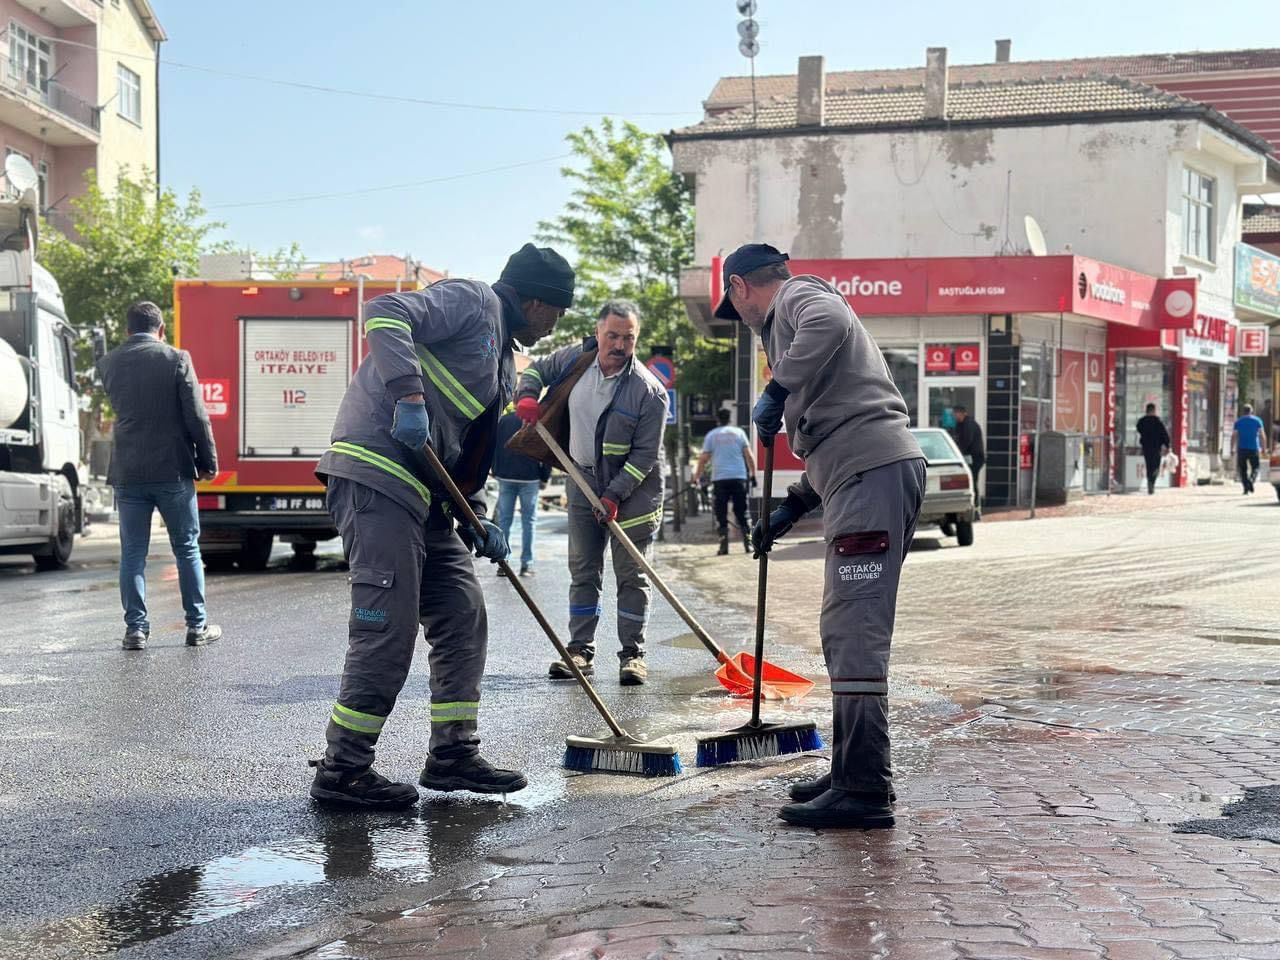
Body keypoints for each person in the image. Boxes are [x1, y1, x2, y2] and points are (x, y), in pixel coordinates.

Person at [309, 243, 574, 809]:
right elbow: (384, 312)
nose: (557, 324)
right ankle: (343, 769)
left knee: (462, 611)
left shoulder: (503, 358)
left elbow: (469, 450)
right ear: (534, 300)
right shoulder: (473, 302)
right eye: (557, 311)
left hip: (428, 495)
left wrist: (476, 514)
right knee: (388, 626)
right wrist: (408, 395)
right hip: (378, 473)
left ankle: (452, 754)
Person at [715, 244, 925, 830]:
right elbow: (835, 431)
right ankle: (849, 771)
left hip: (871, 473)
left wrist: (778, 390)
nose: (747, 323)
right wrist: (791, 508)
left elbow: (831, 320)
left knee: (853, 630)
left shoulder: (796, 297)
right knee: (843, 630)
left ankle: (864, 787)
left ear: (741, 287)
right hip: (860, 472)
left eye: (738, 307)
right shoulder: (790, 317)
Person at [515, 300, 667, 687]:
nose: (619, 344)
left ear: (637, 338)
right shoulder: (576, 359)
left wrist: (615, 495)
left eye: (628, 338)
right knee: (584, 570)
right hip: (580, 480)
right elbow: (535, 369)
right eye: (612, 335)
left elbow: (645, 457)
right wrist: (528, 396)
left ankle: (633, 655)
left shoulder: (649, 391)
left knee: (632, 574)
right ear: (598, 332)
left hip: (633, 492)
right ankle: (580, 651)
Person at [96, 301, 222, 652]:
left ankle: (135, 630)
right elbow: (196, 415)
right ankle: (197, 627)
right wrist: (208, 461)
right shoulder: (176, 359)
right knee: (186, 548)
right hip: (173, 469)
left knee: (133, 553)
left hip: (128, 471)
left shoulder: (108, 363)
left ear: (126, 330)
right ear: (161, 328)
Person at [492, 403, 551, 577]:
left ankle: (503, 563)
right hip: (530, 477)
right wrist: (545, 476)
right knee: (528, 523)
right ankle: (527, 564)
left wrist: (496, 470)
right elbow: (547, 451)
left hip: (506, 476)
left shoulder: (503, 421)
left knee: (504, 521)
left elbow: (494, 447)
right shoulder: (537, 424)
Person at [692, 408, 756, 555]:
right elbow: (749, 455)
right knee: (742, 513)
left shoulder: (711, 436)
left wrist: (696, 478)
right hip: (739, 477)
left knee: (721, 514)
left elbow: (703, 459)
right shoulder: (739, 433)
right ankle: (749, 544)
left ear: (717, 420)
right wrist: (752, 475)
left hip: (720, 479)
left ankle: (723, 547)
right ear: (730, 419)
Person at [951, 405, 984, 507]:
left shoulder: (968, 424)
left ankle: (975, 506)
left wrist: (958, 453)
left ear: (961, 413)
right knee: (969, 482)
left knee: (972, 481)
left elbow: (966, 441)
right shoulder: (960, 424)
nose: (954, 416)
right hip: (968, 458)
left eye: (955, 414)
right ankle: (970, 504)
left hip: (974, 458)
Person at [1232, 403, 1268, 495]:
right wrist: (1264, 449)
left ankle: (1245, 488)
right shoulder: (1257, 421)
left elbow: (1234, 436)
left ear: (1243, 411)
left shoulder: (1238, 422)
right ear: (1251, 411)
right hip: (1254, 448)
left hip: (1242, 448)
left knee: (1242, 469)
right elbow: (1262, 435)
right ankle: (1251, 480)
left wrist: (1232, 448)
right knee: (1256, 467)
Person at [1135, 403, 1170, 495]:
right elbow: (1164, 434)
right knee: (1156, 466)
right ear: (1153, 411)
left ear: (1146, 411)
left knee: (1149, 465)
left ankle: (1150, 482)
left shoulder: (1141, 421)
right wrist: (1167, 445)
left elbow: (1139, 429)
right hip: (1156, 447)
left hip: (1146, 447)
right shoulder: (1158, 422)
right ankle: (1151, 482)